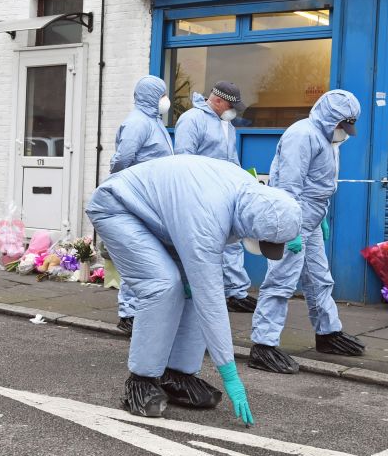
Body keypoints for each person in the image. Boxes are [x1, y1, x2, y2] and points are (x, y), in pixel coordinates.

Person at [86, 155, 301, 423]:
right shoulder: (207, 219)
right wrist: (230, 376)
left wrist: (291, 229)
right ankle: (141, 381)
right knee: (163, 285)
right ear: (252, 227)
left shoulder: (254, 196)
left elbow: (277, 210)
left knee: (192, 289)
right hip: (119, 207)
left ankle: (178, 375)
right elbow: (210, 303)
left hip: (166, 215)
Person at [249, 90, 364, 374]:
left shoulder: (327, 138)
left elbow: (318, 184)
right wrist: (292, 229)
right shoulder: (302, 135)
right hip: (292, 218)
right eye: (341, 126)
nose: (344, 133)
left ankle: (328, 333)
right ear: (330, 118)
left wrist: (319, 219)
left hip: (310, 218)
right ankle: (263, 345)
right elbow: (289, 187)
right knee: (281, 281)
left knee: (319, 278)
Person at [174, 81, 256, 313]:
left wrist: (243, 183)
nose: (235, 112)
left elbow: (231, 159)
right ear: (217, 101)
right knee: (201, 243)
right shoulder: (192, 120)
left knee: (233, 241)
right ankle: (193, 290)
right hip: (201, 194)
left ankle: (236, 292)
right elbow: (184, 160)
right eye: (231, 106)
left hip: (224, 193)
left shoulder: (227, 125)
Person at [110, 75, 174, 335]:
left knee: (149, 254)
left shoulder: (152, 121)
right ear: (151, 96)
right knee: (136, 255)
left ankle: (140, 310)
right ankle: (129, 313)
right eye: (162, 95)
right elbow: (123, 158)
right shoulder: (138, 123)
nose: (165, 101)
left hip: (153, 197)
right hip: (140, 197)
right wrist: (124, 183)